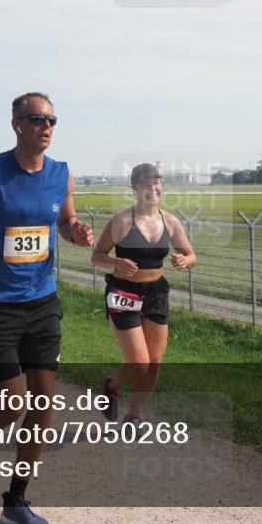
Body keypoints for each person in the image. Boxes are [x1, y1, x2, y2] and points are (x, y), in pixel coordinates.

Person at [0, 92, 93, 524]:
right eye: (37, 118)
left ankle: (16, 500)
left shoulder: (61, 174)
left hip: (42, 300)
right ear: (16, 124)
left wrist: (77, 230)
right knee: (10, 404)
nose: (46, 126)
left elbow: (64, 223)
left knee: (43, 402)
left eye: (52, 120)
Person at [90, 163, 196, 425]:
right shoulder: (122, 221)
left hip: (156, 293)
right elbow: (97, 256)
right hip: (124, 292)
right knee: (139, 363)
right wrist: (116, 262)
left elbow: (191, 254)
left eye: (156, 183)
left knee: (155, 362)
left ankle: (134, 415)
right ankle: (111, 387)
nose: (153, 189)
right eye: (146, 185)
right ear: (135, 189)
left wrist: (185, 261)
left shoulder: (169, 220)